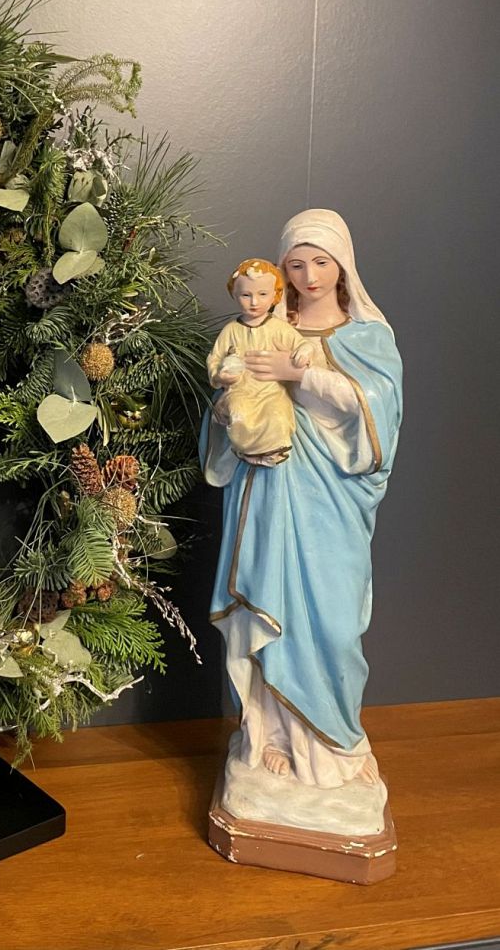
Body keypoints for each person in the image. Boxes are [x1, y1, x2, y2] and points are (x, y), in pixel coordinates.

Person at [199, 209, 402, 790]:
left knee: (333, 624)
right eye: (296, 264)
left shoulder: (367, 337)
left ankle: (333, 743)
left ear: (343, 264)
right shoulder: (259, 328)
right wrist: (228, 407)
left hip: (332, 503)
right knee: (272, 607)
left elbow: (377, 416)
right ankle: (275, 737)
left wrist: (298, 375)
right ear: (280, 271)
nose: (310, 277)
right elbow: (224, 411)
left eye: (321, 261)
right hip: (268, 490)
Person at [207, 258, 314, 466]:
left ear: (276, 295)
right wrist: (220, 375)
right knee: (238, 412)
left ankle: (273, 451)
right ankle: (247, 451)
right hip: (240, 390)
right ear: (235, 295)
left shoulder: (278, 328)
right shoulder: (231, 330)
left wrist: (304, 350)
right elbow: (215, 357)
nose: (254, 302)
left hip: (270, 391)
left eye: (262, 294)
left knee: (277, 415)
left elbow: (300, 344)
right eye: (246, 295)